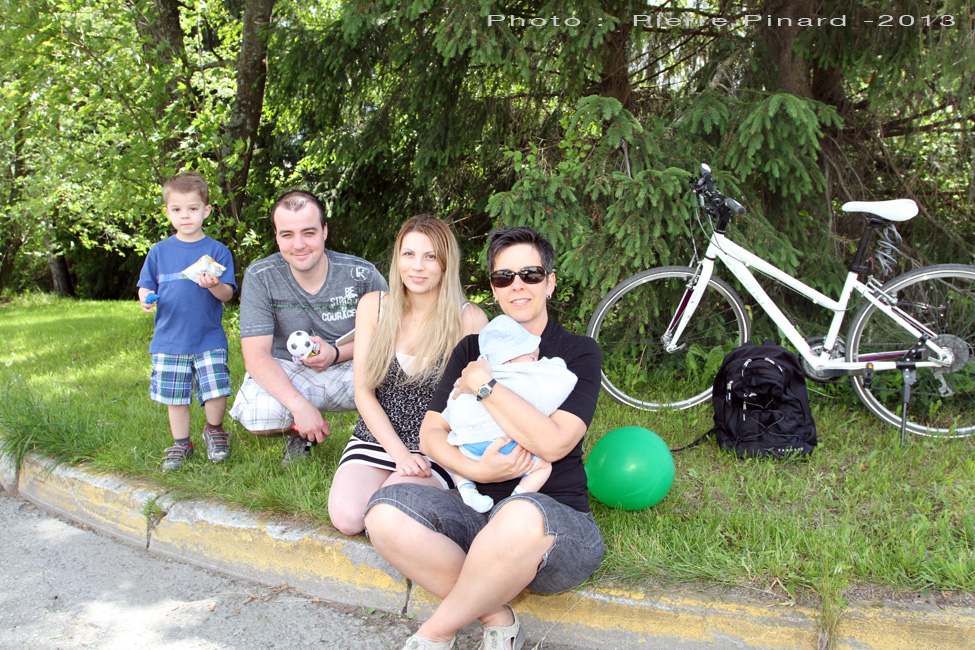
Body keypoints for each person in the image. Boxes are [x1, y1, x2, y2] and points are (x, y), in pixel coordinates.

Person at [364, 227, 604, 650]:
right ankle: (498, 617)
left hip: (552, 529)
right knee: (383, 515)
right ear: (493, 289)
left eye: (530, 274)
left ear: (550, 281)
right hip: (475, 514)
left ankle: (435, 633)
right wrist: (476, 469)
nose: (517, 286)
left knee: (519, 514)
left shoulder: (578, 352)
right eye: (503, 277)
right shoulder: (472, 348)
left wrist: (485, 386)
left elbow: (552, 444)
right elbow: (432, 433)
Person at [327, 215, 488, 536]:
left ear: (446, 264)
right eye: (409, 254)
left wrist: (427, 454)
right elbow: (363, 392)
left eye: (430, 257)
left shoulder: (468, 319)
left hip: (436, 445)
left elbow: (473, 404)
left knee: (387, 516)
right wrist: (399, 454)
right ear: (397, 259)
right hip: (376, 437)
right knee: (347, 519)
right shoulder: (373, 307)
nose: (418, 266)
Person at [228, 191, 387, 465]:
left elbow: (391, 338)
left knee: (403, 379)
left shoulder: (361, 274)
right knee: (257, 413)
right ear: (276, 236)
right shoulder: (260, 276)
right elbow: (256, 356)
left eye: (309, 232)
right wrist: (299, 407)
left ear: (325, 231)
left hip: (354, 368)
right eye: (287, 234)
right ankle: (298, 433)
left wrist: (336, 354)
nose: (298, 244)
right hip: (292, 373)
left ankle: (373, 438)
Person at [137, 171, 237, 472]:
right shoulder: (159, 252)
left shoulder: (218, 251)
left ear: (206, 211)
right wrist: (146, 298)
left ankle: (214, 430)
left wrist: (212, 285)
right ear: (167, 212)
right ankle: (181, 443)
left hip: (208, 337)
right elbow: (145, 285)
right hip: (169, 340)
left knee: (216, 390)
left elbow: (227, 294)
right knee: (175, 396)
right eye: (177, 209)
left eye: (192, 209)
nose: (185, 216)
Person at [442, 315, 577, 513]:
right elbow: (555, 388)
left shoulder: (470, 375)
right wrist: (551, 364)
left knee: (454, 461)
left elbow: (452, 403)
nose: (536, 360)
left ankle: (467, 489)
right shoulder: (523, 376)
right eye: (532, 357)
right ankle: (515, 499)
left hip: (469, 446)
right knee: (543, 467)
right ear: (513, 358)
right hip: (505, 444)